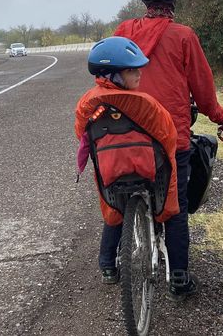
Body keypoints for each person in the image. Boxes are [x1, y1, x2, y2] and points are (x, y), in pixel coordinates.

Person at [114, 0, 223, 301]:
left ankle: (110, 262)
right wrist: (220, 115)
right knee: (176, 206)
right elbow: (202, 90)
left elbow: (106, 75)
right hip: (171, 138)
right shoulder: (184, 36)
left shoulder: (124, 31)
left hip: (127, 132)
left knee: (121, 191)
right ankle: (180, 277)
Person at [73, 36, 180, 285]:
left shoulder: (88, 103)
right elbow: (168, 137)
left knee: (113, 214)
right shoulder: (145, 103)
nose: (139, 74)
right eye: (132, 70)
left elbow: (82, 134)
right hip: (148, 171)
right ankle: (177, 270)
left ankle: (108, 265)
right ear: (113, 75)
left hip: (111, 172)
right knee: (167, 202)